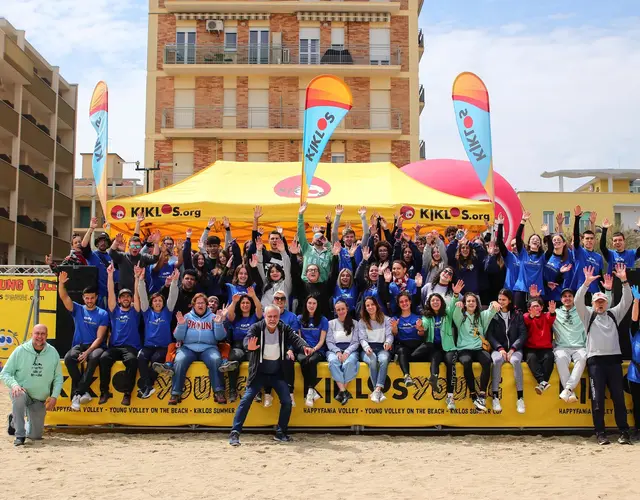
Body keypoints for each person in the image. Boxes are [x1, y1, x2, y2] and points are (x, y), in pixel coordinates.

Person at [229, 305, 312, 446]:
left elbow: (295, 338)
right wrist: (248, 347)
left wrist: (305, 346)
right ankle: (235, 433)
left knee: (287, 401)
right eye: (270, 316)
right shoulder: (256, 327)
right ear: (265, 316)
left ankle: (281, 432)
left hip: (277, 374)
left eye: (275, 316)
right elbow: (247, 339)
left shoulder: (283, 328)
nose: (272, 319)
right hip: (259, 374)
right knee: (246, 400)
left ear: (279, 317)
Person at [577, 264, 632, 445]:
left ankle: (624, 432)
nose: (600, 305)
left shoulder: (614, 314)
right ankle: (600, 433)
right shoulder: (588, 316)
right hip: (596, 363)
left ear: (606, 303)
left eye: (602, 302)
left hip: (614, 361)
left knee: (618, 399)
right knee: (598, 400)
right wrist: (585, 284)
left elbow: (627, 300)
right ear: (592, 304)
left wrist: (624, 281)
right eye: (597, 302)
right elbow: (578, 301)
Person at [1, 325, 62, 446]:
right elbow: (5, 373)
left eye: (43, 334)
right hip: (22, 393)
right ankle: (19, 435)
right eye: (37, 333)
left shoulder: (53, 352)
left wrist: (54, 396)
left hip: (39, 399)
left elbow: (58, 378)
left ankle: (13, 420)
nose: (40, 337)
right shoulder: (20, 351)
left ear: (47, 336)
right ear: (31, 335)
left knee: (36, 436)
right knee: (18, 395)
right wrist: (14, 385)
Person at [59, 271, 109, 411]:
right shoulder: (78, 309)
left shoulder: (102, 314)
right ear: (83, 298)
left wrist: (87, 352)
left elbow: (100, 338)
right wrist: (61, 283)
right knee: (69, 358)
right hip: (79, 345)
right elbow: (64, 297)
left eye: (92, 298)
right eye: (87, 298)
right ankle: (84, 391)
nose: (89, 301)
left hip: (96, 346)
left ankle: (77, 393)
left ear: (96, 298)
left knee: (93, 358)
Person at [170, 294, 228, 405]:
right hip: (188, 347)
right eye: (198, 303)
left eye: (203, 303)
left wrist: (218, 323)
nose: (200, 305)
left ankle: (219, 392)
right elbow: (178, 337)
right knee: (179, 360)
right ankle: (175, 393)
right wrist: (181, 325)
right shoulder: (187, 317)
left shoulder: (213, 317)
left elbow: (220, 337)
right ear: (194, 305)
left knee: (216, 360)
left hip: (208, 347)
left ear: (206, 305)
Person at [98, 263, 142, 406]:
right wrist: (110, 275)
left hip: (130, 348)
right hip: (115, 347)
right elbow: (110, 292)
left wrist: (136, 277)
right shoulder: (114, 310)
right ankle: (104, 392)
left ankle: (127, 394)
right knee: (104, 358)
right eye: (122, 296)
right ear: (119, 300)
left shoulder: (135, 312)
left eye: (128, 297)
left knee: (132, 361)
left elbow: (137, 294)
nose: (125, 299)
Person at [136, 266, 179, 399]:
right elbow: (143, 297)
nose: (158, 302)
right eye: (155, 301)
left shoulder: (167, 311)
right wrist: (141, 281)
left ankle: (146, 387)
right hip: (148, 346)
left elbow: (172, 296)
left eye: (160, 300)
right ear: (152, 303)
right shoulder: (147, 312)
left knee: (155, 361)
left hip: (163, 347)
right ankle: (148, 387)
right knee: (141, 358)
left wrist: (174, 282)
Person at [452, 292, 499, 412]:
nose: (471, 303)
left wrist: (493, 302)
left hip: (479, 348)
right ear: (465, 304)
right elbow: (455, 312)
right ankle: (473, 395)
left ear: (477, 303)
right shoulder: (461, 316)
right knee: (466, 362)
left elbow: (491, 310)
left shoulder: (481, 316)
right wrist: (457, 304)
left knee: (487, 360)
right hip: (464, 348)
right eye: (468, 301)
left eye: (473, 301)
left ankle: (482, 396)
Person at [487, 289, 528, 414]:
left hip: (515, 349)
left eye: (504, 299)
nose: (501, 302)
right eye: (499, 299)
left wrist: (513, 349)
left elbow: (523, 334)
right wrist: (499, 348)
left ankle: (520, 398)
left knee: (515, 361)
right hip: (498, 348)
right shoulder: (493, 314)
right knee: (497, 360)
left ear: (510, 300)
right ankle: (495, 397)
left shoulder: (517, 314)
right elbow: (489, 334)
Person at [421, 291, 461, 405]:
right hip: (435, 346)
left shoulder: (447, 313)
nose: (435, 302)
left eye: (437, 300)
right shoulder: (427, 316)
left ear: (441, 302)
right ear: (429, 303)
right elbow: (425, 324)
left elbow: (453, 304)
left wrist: (456, 294)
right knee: (435, 358)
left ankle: (450, 397)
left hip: (448, 347)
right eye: (433, 300)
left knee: (450, 363)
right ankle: (434, 378)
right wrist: (420, 326)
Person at [225, 290, 263, 402]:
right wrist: (234, 302)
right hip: (238, 346)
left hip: (252, 344)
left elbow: (260, 309)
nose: (245, 305)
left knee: (256, 360)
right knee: (233, 359)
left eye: (247, 303)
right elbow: (229, 315)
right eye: (243, 303)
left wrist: (254, 296)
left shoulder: (255, 317)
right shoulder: (236, 318)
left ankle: (255, 391)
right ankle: (232, 390)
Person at [552, 288, 587, 404]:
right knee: (561, 358)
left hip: (579, 347)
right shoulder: (555, 312)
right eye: (564, 296)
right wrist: (534, 297)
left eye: (570, 296)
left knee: (582, 357)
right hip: (562, 347)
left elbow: (600, 307)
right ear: (561, 299)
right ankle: (570, 392)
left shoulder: (582, 311)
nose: (567, 298)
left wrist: (607, 290)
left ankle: (567, 389)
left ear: (573, 298)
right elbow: (537, 315)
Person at [358, 297, 394, 403]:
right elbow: (362, 338)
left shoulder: (386, 319)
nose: (370, 307)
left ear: (376, 305)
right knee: (373, 360)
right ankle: (377, 391)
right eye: (367, 305)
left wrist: (388, 342)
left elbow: (389, 335)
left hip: (382, 348)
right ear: (365, 308)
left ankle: (376, 390)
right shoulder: (362, 322)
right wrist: (366, 347)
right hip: (368, 349)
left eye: (372, 304)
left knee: (383, 360)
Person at [326, 300, 361, 405]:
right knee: (333, 362)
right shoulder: (330, 323)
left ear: (347, 309)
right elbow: (329, 341)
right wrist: (337, 352)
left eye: (342, 309)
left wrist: (347, 352)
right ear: (335, 311)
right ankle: (344, 391)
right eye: (338, 310)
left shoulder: (355, 323)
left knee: (349, 363)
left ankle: (341, 391)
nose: (341, 311)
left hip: (351, 350)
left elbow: (356, 342)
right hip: (334, 350)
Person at [391, 291, 428, 388]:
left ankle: (402, 359)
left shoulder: (418, 317)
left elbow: (422, 334)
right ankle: (407, 376)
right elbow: (394, 335)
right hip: (403, 345)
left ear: (410, 302)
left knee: (428, 347)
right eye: (401, 302)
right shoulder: (395, 318)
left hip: (417, 346)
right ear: (398, 304)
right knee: (402, 351)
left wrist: (420, 329)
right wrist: (394, 328)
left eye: (406, 301)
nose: (404, 303)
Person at [297, 295, 329, 407]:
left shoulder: (323, 320)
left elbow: (322, 340)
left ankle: (309, 390)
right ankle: (311, 391)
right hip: (303, 349)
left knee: (311, 361)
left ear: (317, 305)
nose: (311, 305)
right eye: (309, 303)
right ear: (306, 304)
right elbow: (299, 338)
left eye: (314, 303)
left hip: (318, 349)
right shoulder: (299, 318)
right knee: (303, 360)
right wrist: (305, 348)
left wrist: (314, 349)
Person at [523, 295, 556, 395]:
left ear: (542, 307)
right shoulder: (526, 316)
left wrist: (552, 312)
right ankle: (542, 381)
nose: (536, 308)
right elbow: (527, 320)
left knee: (549, 357)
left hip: (545, 348)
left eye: (538, 306)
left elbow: (551, 317)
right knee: (531, 358)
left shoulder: (546, 316)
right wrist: (531, 315)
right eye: (533, 307)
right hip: (531, 348)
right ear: (529, 309)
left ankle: (542, 384)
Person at [512, 211, 545, 311]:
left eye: (537, 239)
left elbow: (551, 249)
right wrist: (523, 221)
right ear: (529, 244)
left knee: (535, 317)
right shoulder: (523, 253)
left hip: (536, 291)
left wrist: (546, 233)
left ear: (539, 244)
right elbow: (518, 237)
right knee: (518, 316)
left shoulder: (542, 257)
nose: (535, 240)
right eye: (532, 239)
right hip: (521, 289)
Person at [571, 206, 604, 303]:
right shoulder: (579, 251)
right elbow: (576, 237)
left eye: (591, 238)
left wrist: (604, 292)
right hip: (581, 291)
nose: (589, 240)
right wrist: (577, 218)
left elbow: (600, 277)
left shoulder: (598, 257)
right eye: (587, 238)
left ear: (595, 240)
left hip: (595, 293)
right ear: (583, 240)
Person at [80, 216, 115, 306]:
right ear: (97, 243)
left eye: (105, 241)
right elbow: (83, 245)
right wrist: (91, 228)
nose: (103, 243)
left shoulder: (112, 257)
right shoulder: (91, 255)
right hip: (95, 297)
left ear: (108, 244)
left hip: (110, 296)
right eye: (100, 241)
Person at [298, 202, 332, 282]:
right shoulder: (307, 249)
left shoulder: (328, 252)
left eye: (321, 237)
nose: (319, 239)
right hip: (306, 285)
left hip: (323, 287)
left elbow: (335, 255)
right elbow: (301, 234)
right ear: (312, 239)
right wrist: (300, 215)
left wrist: (327, 243)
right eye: (316, 237)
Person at [332, 204, 369, 272]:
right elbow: (334, 233)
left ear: (354, 238)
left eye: (351, 237)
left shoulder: (359, 249)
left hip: (355, 281)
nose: (349, 239)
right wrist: (338, 215)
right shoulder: (339, 249)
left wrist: (363, 216)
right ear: (343, 238)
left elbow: (366, 234)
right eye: (347, 237)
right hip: (341, 280)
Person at [628, 286, 640, 434]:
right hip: (635, 373)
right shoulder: (635, 333)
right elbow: (634, 319)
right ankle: (638, 429)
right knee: (637, 403)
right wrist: (636, 300)